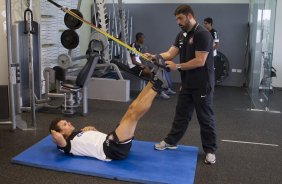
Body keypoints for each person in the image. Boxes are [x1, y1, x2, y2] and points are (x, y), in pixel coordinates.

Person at [144, 5, 217, 164]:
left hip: (202, 84)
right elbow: (170, 53)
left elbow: (200, 61)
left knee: (205, 118)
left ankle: (210, 150)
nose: (178, 22)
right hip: (188, 83)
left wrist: (176, 66)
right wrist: (155, 56)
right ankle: (171, 141)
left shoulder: (202, 34)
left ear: (189, 16)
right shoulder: (182, 35)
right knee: (181, 115)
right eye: (176, 19)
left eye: (180, 18)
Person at [49, 65, 169, 161]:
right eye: (64, 125)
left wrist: (92, 129)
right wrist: (53, 131)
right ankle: (157, 87)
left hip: (110, 139)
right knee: (133, 117)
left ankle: (153, 82)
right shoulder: (67, 145)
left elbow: (92, 139)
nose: (68, 123)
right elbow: (57, 137)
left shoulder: (77, 133)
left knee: (131, 108)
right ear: (60, 132)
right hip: (112, 149)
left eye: (66, 122)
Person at [128, 32, 176, 99]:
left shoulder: (139, 47)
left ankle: (166, 89)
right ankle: (160, 92)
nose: (144, 39)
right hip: (133, 66)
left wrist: (148, 58)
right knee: (151, 75)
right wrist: (143, 65)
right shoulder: (133, 46)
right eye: (143, 38)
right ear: (139, 38)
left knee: (156, 73)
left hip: (138, 65)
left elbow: (137, 58)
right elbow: (133, 61)